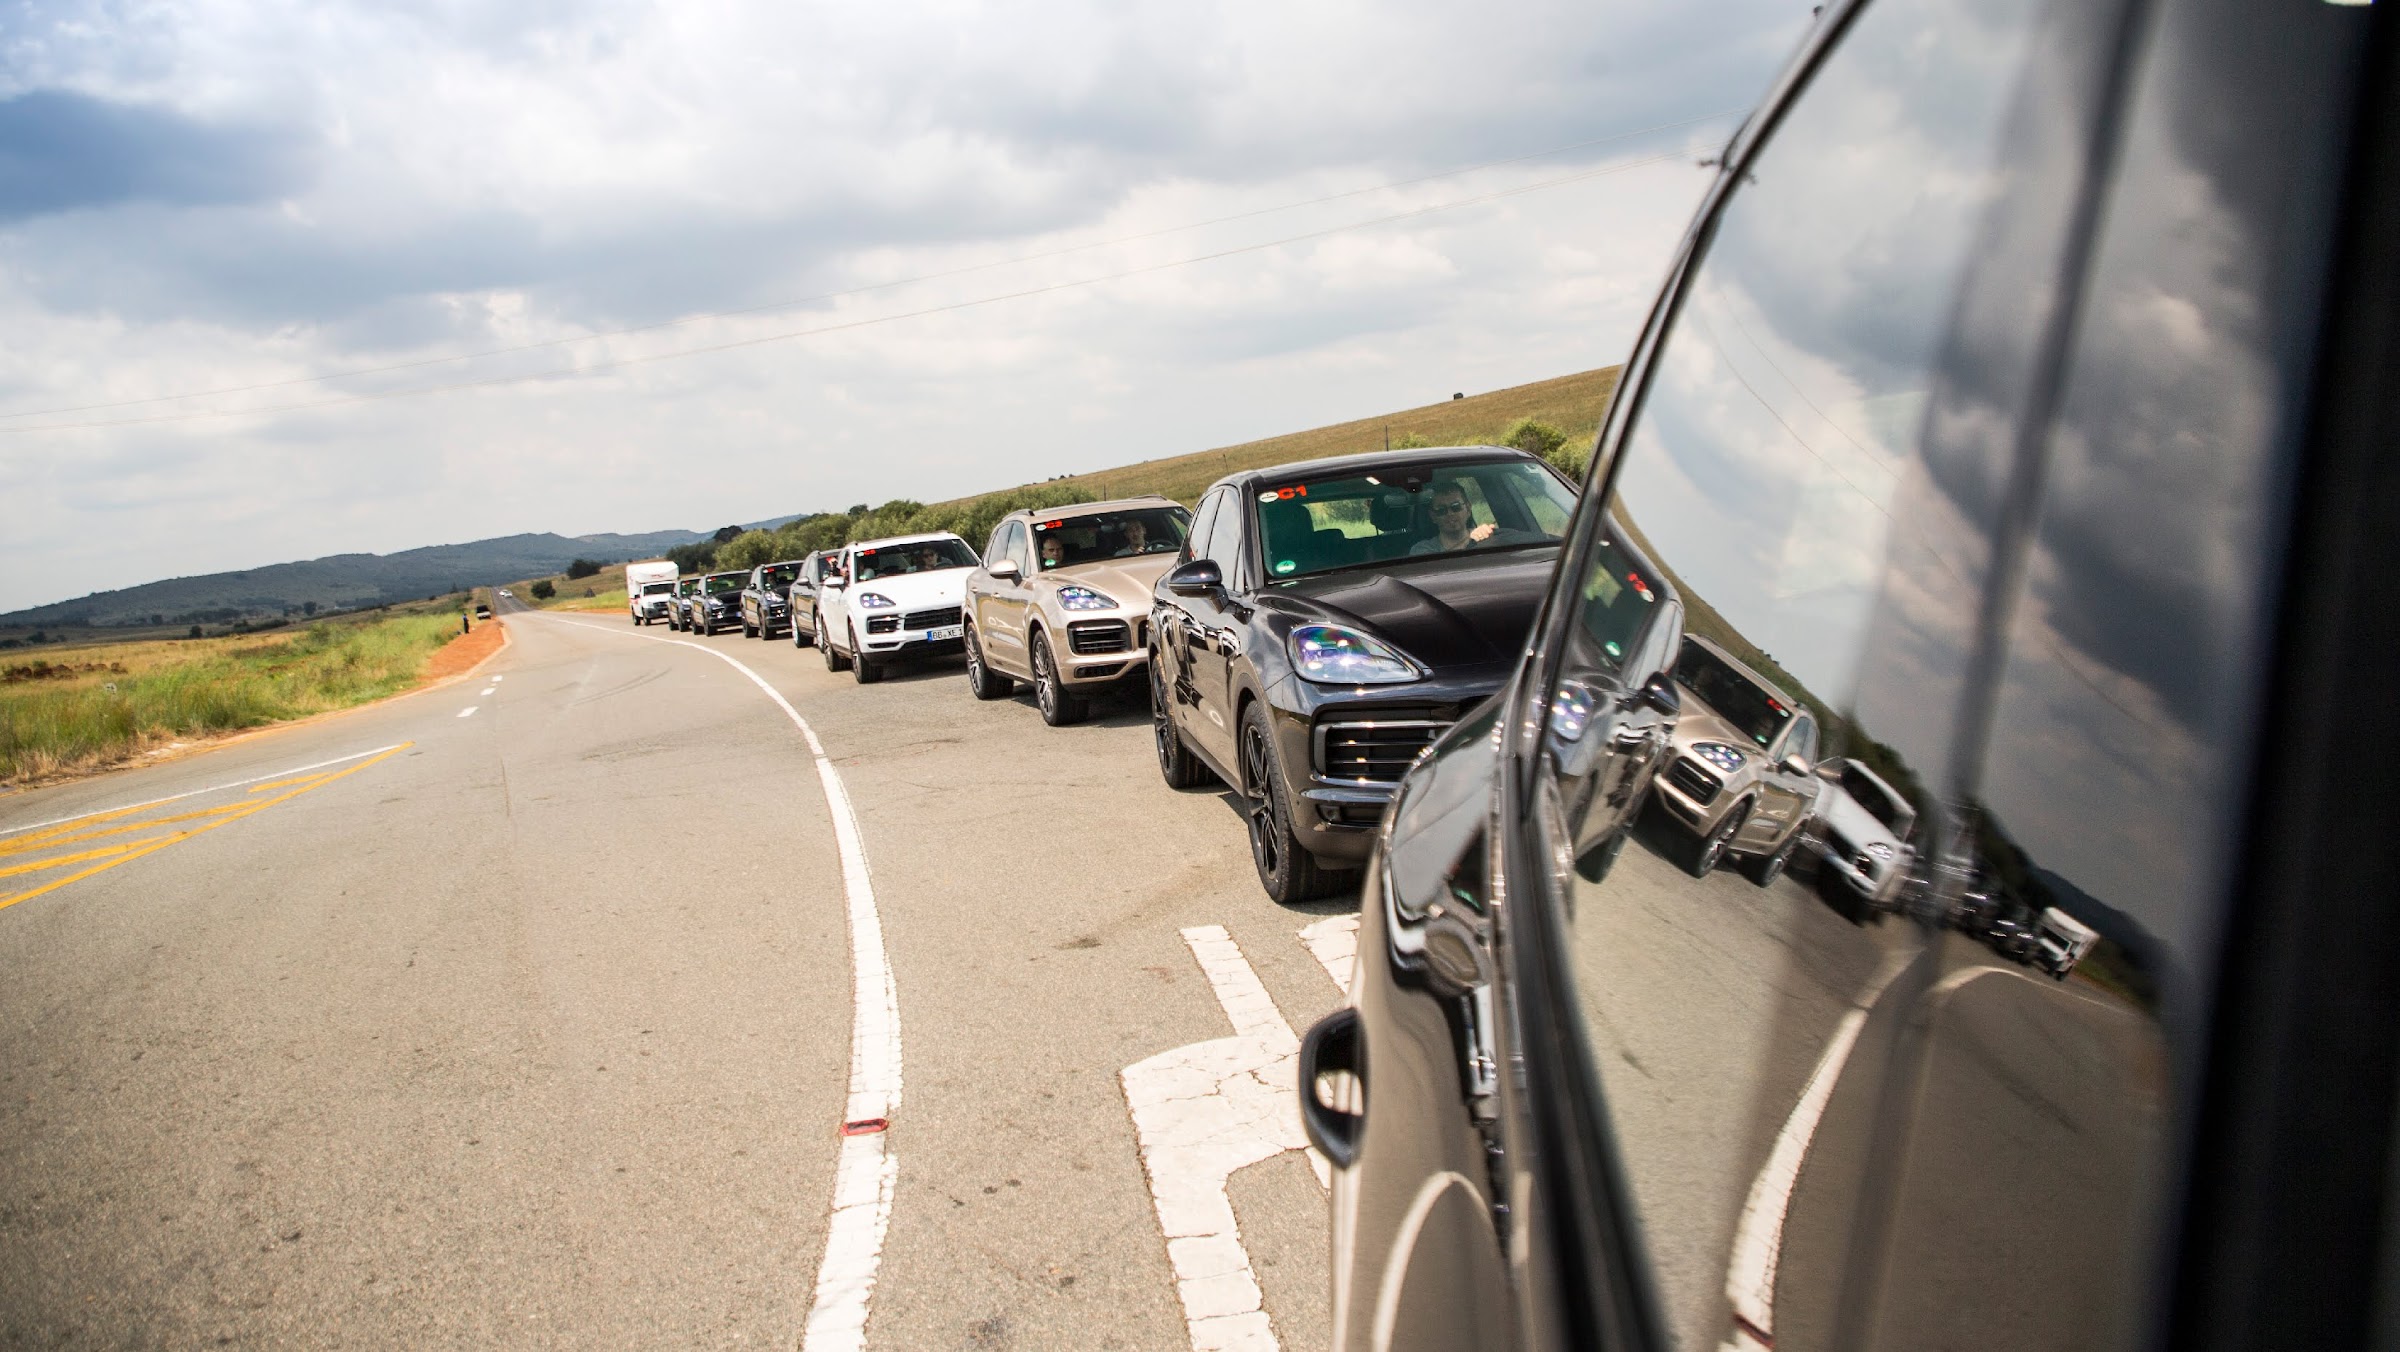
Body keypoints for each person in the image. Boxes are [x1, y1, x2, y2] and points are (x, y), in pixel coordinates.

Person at [1410, 481, 1496, 555]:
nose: (1450, 513)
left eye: (1456, 507)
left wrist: (1487, 538)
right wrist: (1472, 542)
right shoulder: (1422, 549)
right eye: (1441, 510)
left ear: (1468, 509)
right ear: (1433, 516)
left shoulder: (1485, 537)